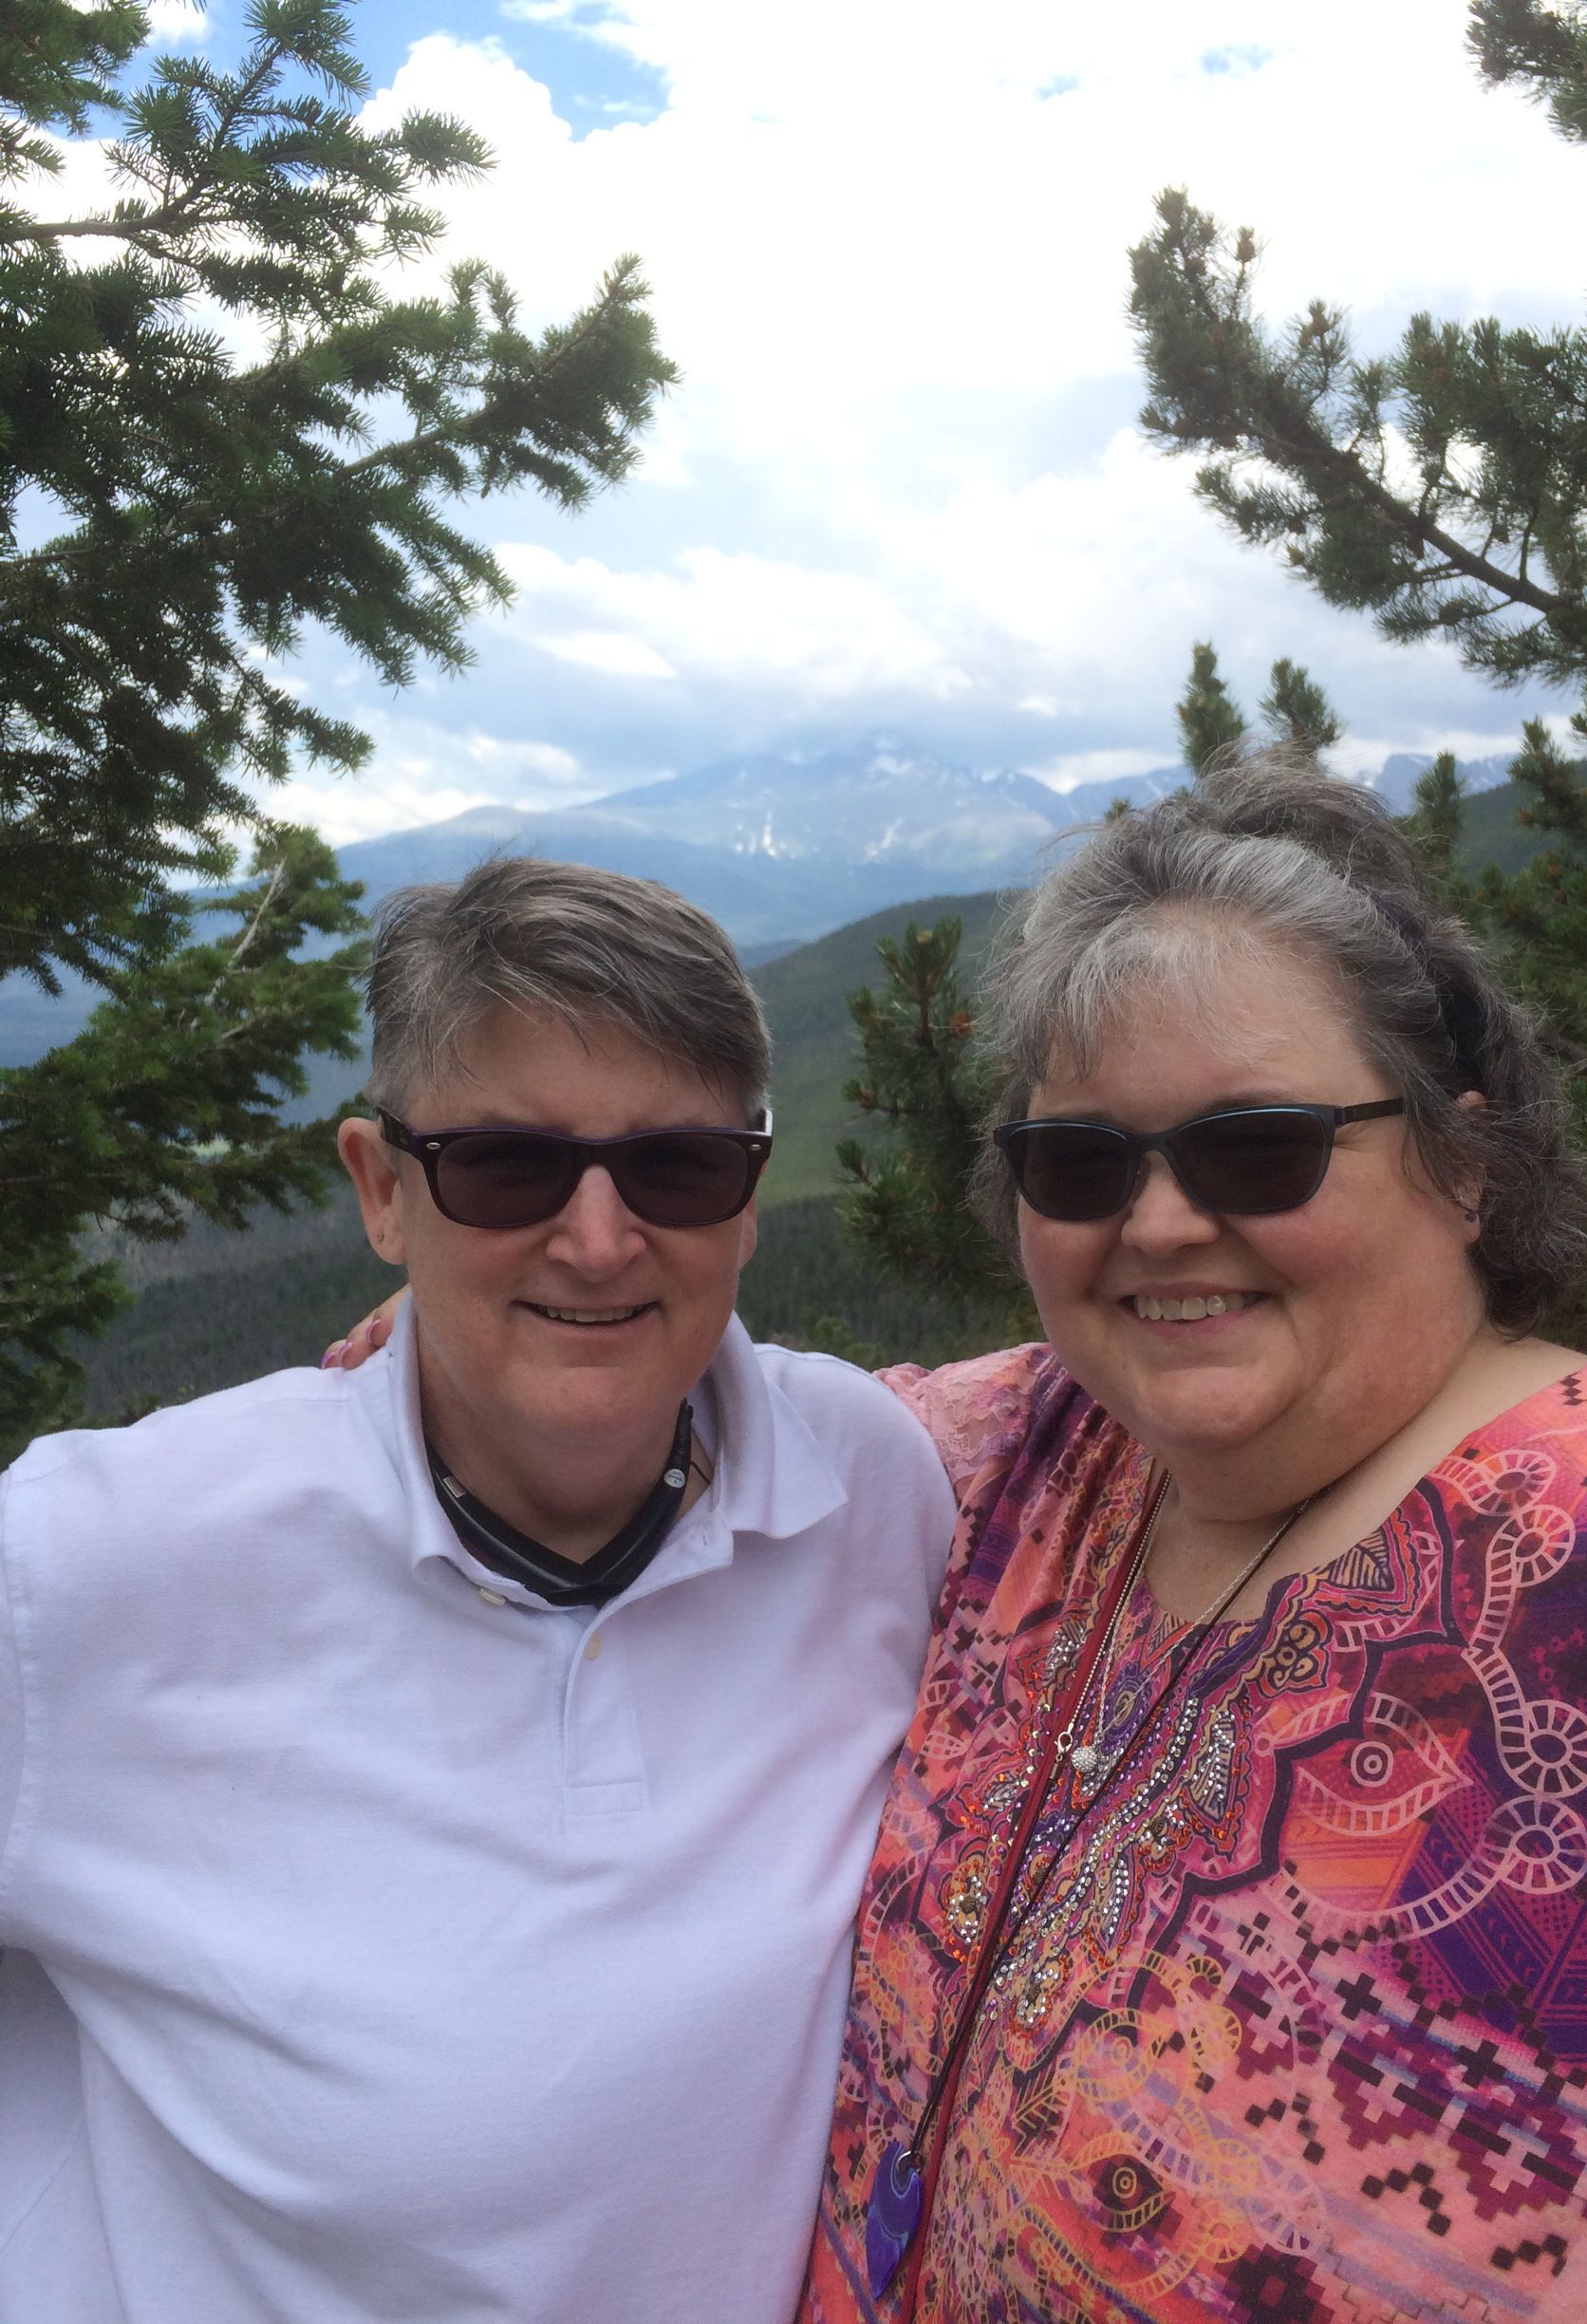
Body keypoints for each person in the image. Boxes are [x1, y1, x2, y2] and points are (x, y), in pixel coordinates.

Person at [801, 757, 1587, 2322]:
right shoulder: (1023, 1452)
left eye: (1258, 1147)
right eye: (1083, 1164)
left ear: (1461, 1157)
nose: (1159, 1224)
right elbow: (687, 1425)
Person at [0, 858, 957, 2324]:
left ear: (753, 1198)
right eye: (507, 1167)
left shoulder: (871, 1488)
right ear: (384, 1190)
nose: (596, 1237)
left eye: (679, 1167)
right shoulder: (98, 1573)